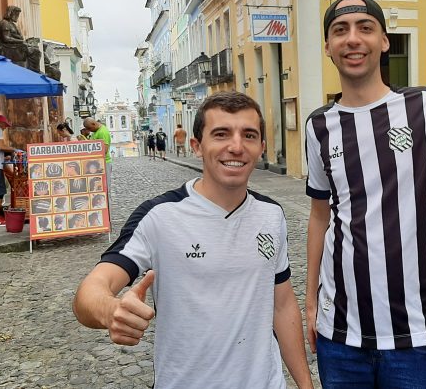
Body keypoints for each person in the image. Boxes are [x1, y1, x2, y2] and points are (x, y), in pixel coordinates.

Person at [304, 0, 426, 388]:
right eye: (341, 31)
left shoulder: (422, 106)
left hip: (415, 333)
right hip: (340, 334)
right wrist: (310, 302)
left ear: (384, 41)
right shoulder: (318, 126)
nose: (353, 39)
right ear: (328, 47)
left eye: (365, 28)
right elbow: (320, 216)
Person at [72, 92, 313, 388]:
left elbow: (283, 304)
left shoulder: (271, 215)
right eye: (221, 134)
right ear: (197, 146)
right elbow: (90, 292)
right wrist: (110, 310)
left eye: (248, 135)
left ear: (261, 147)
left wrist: (305, 384)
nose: (236, 146)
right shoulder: (160, 216)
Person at [83, 118, 112, 191]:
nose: (89, 130)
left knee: (105, 186)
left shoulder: (103, 132)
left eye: (89, 128)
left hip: (104, 163)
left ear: (94, 124)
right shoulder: (96, 131)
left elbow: (104, 150)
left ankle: (108, 202)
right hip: (97, 163)